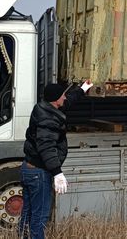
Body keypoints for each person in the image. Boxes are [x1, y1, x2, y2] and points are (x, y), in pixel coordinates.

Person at [18, 80, 91, 239]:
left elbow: (67, 102)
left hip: (28, 169)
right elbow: (46, 147)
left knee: (28, 214)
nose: (65, 97)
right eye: (63, 95)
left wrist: (82, 89)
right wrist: (57, 172)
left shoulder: (44, 107)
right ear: (56, 99)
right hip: (39, 173)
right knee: (40, 218)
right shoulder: (47, 120)